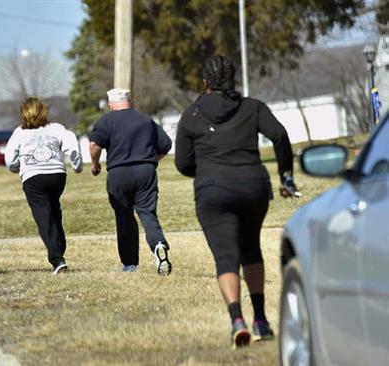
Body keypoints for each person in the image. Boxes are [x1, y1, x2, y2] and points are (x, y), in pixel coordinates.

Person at [174, 55, 299, 349]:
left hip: (213, 192)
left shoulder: (191, 115)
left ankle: (237, 321)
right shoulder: (252, 107)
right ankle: (261, 320)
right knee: (251, 249)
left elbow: (182, 163)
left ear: (204, 82)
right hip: (253, 188)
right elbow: (279, 135)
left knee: (226, 257)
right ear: (233, 80)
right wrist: (286, 177)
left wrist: (205, 173)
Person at [88, 88, 172, 275]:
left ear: (111, 104)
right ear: (129, 101)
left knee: (124, 217)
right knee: (147, 213)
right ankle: (158, 244)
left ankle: (130, 264)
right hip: (146, 171)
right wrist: (150, 161)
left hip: (119, 173)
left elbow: (94, 145)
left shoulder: (106, 121)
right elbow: (166, 144)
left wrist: (95, 165)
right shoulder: (145, 120)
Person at [5, 97, 83, 274]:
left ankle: (57, 258)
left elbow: (10, 160)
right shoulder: (55, 128)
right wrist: (76, 166)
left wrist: (18, 168)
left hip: (33, 178)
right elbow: (72, 143)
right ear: (44, 111)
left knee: (43, 216)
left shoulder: (19, 132)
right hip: (57, 175)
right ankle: (59, 246)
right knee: (54, 210)